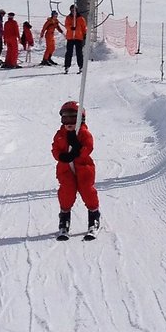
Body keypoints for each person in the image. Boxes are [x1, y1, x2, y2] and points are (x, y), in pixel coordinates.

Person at [52, 100, 100, 240]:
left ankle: (94, 218)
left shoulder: (83, 133)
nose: (69, 121)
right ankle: (64, 220)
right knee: (66, 192)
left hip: (84, 168)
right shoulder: (60, 134)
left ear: (81, 118)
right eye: (66, 118)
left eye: (73, 117)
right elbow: (55, 148)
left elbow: (89, 146)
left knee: (87, 191)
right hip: (65, 169)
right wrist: (62, 156)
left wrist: (77, 150)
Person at [64, 5, 87, 74]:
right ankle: (67, 66)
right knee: (69, 52)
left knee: (79, 53)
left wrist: (84, 34)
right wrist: (71, 28)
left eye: (74, 10)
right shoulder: (68, 18)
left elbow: (84, 27)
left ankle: (81, 66)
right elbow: (66, 25)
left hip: (78, 37)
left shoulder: (81, 18)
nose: (73, 12)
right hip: (70, 37)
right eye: (72, 10)